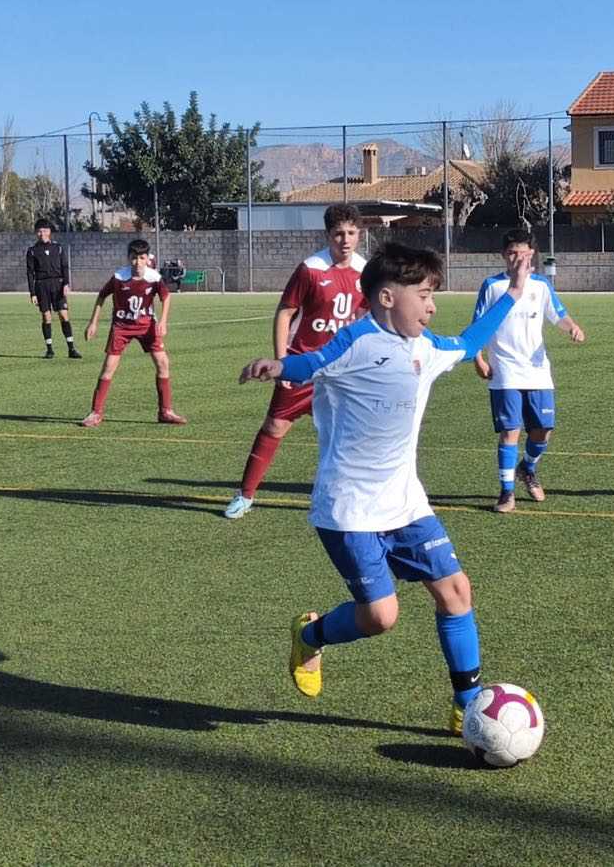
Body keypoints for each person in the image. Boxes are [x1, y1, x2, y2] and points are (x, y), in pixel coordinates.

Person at [237, 242, 529, 735]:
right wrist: (278, 366)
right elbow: (312, 363)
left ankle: (468, 704)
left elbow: (471, 339)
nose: (433, 305)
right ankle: (310, 634)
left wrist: (514, 293)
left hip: (406, 503)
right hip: (348, 510)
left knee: (456, 592)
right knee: (380, 617)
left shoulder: (427, 348)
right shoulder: (356, 342)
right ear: (388, 297)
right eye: (426, 294)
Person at [223, 204, 367, 520]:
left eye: (351, 233)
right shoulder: (310, 268)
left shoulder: (365, 271)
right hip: (303, 365)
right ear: (328, 235)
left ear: (359, 234)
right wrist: (282, 361)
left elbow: (367, 316)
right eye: (338, 233)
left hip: (341, 372)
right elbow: (286, 312)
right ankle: (245, 495)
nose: (345, 240)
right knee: (275, 426)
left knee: (348, 436)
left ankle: (349, 499)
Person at [472, 229, 585, 513]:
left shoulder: (541, 286)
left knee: (543, 430)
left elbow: (558, 314)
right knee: (510, 432)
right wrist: (479, 359)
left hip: (537, 371)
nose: (517, 259)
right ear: (503, 256)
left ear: (532, 255)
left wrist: (571, 326)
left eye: (523, 254)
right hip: (505, 371)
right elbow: (478, 327)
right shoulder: (492, 286)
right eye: (512, 253)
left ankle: (528, 468)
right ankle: (506, 493)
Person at [80, 239, 186, 427]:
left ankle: (165, 411)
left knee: (163, 363)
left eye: (142, 258)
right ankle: (95, 413)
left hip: (147, 326)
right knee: (109, 367)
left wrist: (163, 321)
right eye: (134, 258)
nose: (138, 262)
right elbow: (102, 296)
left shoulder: (154, 278)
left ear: (148, 259)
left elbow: (166, 297)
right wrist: (93, 323)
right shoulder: (119, 277)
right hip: (122, 327)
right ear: (129, 258)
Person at [25, 219, 81, 360]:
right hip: (41, 286)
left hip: (58, 284)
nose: (42, 233)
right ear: (36, 233)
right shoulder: (32, 251)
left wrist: (66, 283)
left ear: (49, 232)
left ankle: (71, 348)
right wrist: (32, 293)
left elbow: (65, 267)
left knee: (63, 315)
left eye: (44, 230)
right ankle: (49, 349)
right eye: (39, 231)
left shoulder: (58, 248)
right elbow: (30, 273)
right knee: (46, 316)